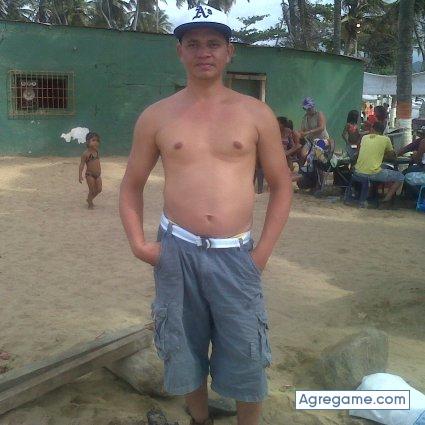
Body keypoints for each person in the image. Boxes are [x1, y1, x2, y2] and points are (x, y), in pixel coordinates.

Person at [119, 5, 292, 425]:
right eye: (193, 43)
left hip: (237, 256)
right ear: (179, 51)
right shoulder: (157, 116)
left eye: (214, 43)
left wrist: (261, 255)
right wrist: (139, 245)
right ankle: (200, 419)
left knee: (247, 350)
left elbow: (282, 185)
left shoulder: (256, 114)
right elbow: (131, 185)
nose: (204, 52)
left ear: (229, 51)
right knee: (183, 347)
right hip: (176, 251)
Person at [353, 121, 404, 206]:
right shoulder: (386, 139)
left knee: (377, 169)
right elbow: (392, 156)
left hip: (357, 171)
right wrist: (383, 154)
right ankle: (386, 200)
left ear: (372, 128)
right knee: (400, 177)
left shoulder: (364, 137)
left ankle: (371, 195)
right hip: (373, 173)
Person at [79, 132, 102, 209]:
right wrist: (80, 175)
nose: (96, 142)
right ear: (87, 142)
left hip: (98, 175)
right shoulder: (85, 154)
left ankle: (89, 199)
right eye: (93, 140)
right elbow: (82, 165)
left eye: (97, 140)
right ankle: (90, 203)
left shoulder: (97, 152)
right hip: (90, 175)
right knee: (91, 190)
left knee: (99, 189)